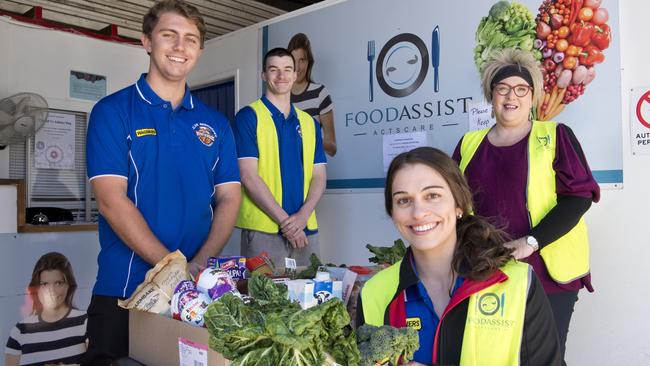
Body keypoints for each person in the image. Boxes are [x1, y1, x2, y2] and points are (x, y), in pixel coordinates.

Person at [85, 0, 241, 363]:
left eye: (190, 39)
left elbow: (230, 198)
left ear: (200, 49)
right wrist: (174, 271)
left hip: (195, 296)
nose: (179, 47)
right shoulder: (112, 111)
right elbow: (110, 200)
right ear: (146, 41)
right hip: (124, 293)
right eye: (168, 35)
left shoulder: (216, 125)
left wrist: (199, 266)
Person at [452, 48, 600, 363]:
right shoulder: (469, 144)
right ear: (490, 96)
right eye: (502, 89)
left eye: (521, 89)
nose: (511, 97)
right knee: (493, 355)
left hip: (546, 272)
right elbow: (454, 204)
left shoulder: (555, 135)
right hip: (488, 269)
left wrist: (529, 242)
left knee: (544, 357)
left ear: (532, 96)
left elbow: (579, 197)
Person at [357, 147, 561, 365]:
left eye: (432, 195)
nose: (418, 212)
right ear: (393, 212)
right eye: (403, 200)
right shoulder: (374, 294)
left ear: (459, 205)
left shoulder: (517, 283)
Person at [232, 47, 327, 267]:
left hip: (306, 229)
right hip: (264, 230)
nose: (281, 76)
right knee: (261, 299)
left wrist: (302, 217)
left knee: (311, 298)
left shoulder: (309, 123)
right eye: (274, 70)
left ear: (295, 75)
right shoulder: (248, 117)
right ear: (264, 75)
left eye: (287, 70)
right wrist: (286, 222)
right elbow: (248, 177)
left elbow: (319, 177)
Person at [5, 252, 87, 366]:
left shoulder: (86, 322)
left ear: (69, 285)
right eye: (44, 284)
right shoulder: (19, 331)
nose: (51, 291)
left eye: (58, 283)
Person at [287, 33, 337, 156]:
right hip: (283, 172)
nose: (297, 67)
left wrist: (309, 138)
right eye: (294, 61)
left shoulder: (320, 94)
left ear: (309, 61)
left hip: (312, 171)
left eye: (302, 60)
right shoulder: (280, 97)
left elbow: (332, 148)